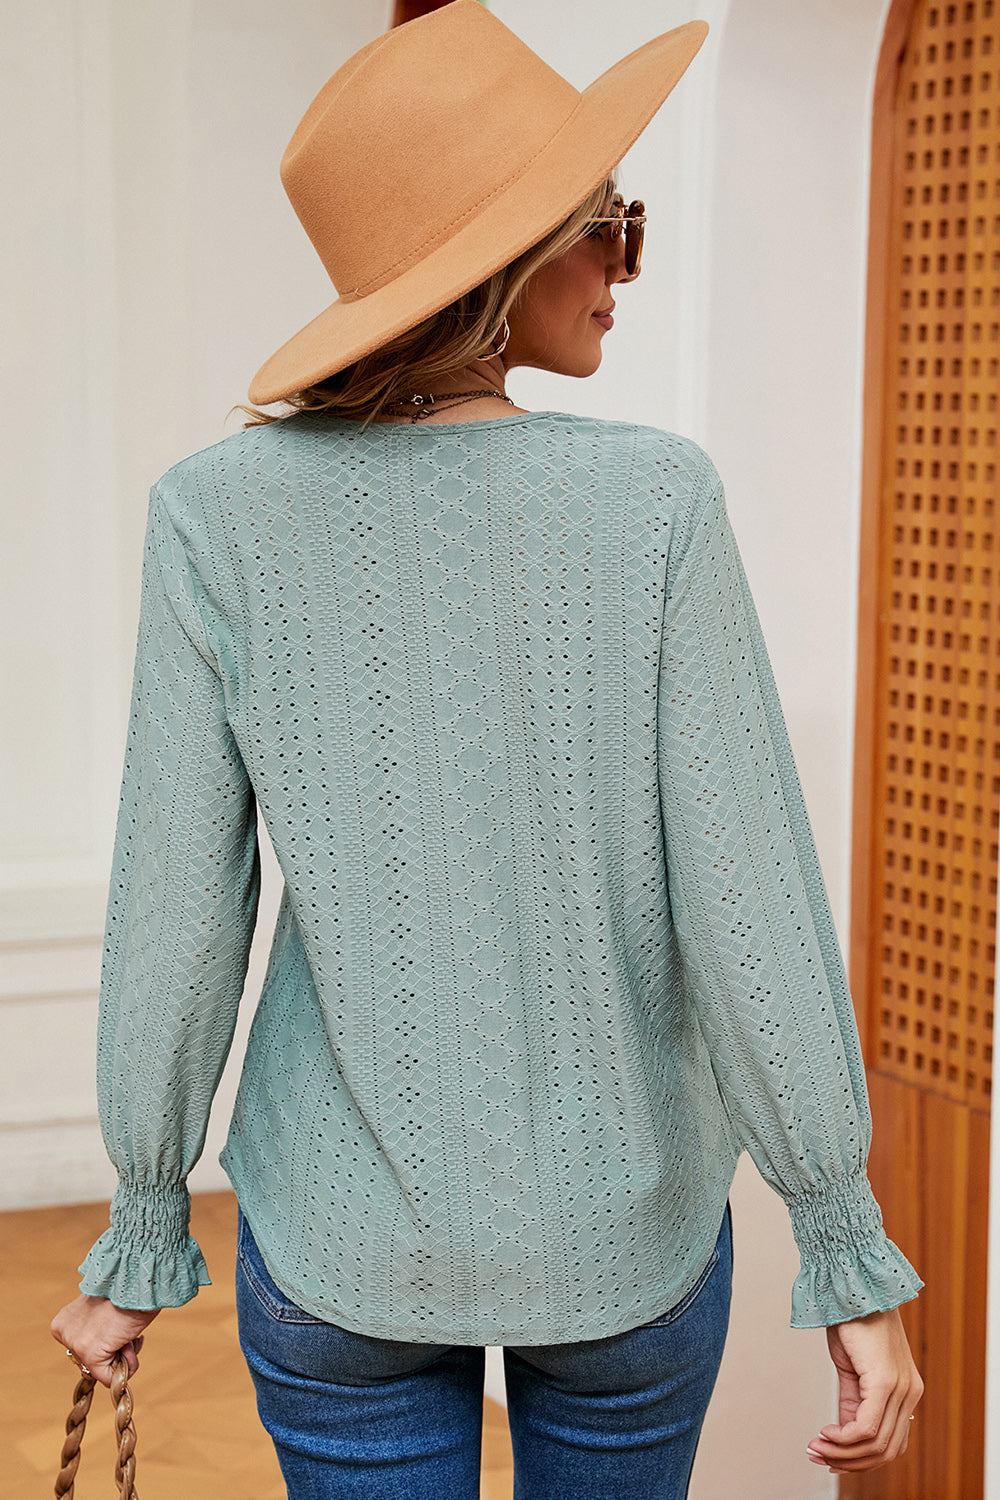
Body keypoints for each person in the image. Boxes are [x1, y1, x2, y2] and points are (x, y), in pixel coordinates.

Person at [51, 5, 923, 1496]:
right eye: (609, 229)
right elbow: (750, 901)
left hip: (337, 1234)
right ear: (508, 262)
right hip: (629, 1236)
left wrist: (143, 1231)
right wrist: (841, 1243)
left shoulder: (215, 516)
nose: (623, 269)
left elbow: (176, 914)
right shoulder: (656, 507)